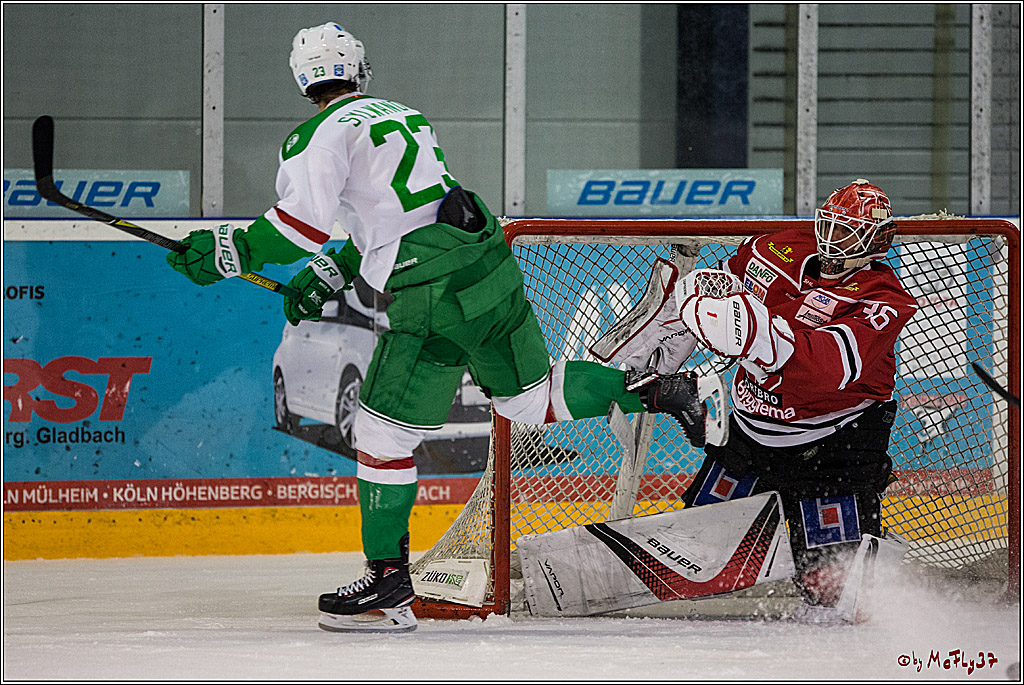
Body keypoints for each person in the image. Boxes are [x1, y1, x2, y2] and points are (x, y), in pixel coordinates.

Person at [164, 22, 701, 633]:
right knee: (528, 401)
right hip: (486, 259)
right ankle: (663, 391)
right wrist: (332, 271)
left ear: (302, 80)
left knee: (381, 436)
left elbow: (297, 225)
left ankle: (389, 587)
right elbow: (394, 211)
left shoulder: (311, 137)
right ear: (359, 70)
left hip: (432, 292)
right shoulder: (403, 115)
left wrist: (228, 251)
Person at [664, 179, 918, 622]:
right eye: (829, 224)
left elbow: (824, 370)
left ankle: (868, 555)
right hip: (749, 438)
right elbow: (727, 283)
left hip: (831, 450)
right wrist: (691, 311)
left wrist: (760, 336)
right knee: (695, 558)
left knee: (833, 595)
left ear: (875, 240)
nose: (831, 237)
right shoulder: (776, 248)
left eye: (847, 230)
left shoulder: (883, 299)